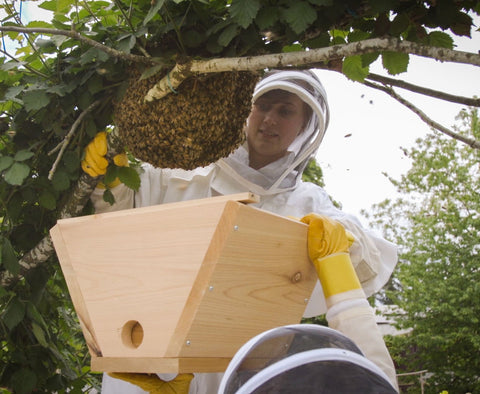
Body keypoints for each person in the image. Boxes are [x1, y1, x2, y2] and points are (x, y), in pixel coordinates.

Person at [83, 69, 399, 393]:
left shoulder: (307, 200)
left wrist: (342, 235)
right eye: (263, 105)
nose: (270, 119)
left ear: (304, 126)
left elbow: (367, 258)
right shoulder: (184, 169)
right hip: (151, 355)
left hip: (242, 364)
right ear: (246, 109)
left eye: (285, 111)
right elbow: (121, 223)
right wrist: (112, 181)